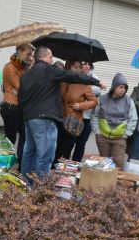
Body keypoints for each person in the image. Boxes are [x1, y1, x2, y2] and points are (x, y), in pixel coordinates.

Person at [18, 47, 102, 178]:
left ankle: (26, 182)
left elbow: (21, 98)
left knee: (29, 152)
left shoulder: (26, 75)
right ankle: (41, 186)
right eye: (50, 57)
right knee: (45, 155)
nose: (52, 60)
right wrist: (96, 81)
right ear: (44, 57)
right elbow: (72, 75)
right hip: (45, 119)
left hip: (29, 118)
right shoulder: (49, 69)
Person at [53, 59, 98, 165]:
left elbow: (95, 101)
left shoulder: (84, 83)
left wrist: (81, 106)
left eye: (79, 67)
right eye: (74, 67)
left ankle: (64, 171)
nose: (77, 69)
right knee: (56, 148)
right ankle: (52, 170)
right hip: (60, 119)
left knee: (67, 149)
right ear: (69, 67)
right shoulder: (63, 81)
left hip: (73, 122)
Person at [90, 73, 138, 171]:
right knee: (104, 164)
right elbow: (94, 115)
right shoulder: (102, 99)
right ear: (114, 87)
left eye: (125, 88)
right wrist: (97, 131)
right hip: (102, 137)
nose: (123, 90)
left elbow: (133, 118)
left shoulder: (129, 101)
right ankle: (104, 181)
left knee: (118, 164)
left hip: (120, 138)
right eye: (120, 87)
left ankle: (116, 181)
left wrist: (126, 134)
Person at [1, 43, 33, 170]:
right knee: (10, 139)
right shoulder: (10, 67)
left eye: (31, 54)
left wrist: (30, 69)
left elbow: (27, 87)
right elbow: (21, 87)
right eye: (28, 54)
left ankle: (21, 166)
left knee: (25, 135)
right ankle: (4, 167)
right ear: (19, 51)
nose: (30, 57)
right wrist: (22, 89)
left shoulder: (24, 67)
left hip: (21, 107)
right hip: (11, 107)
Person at [71, 61, 102, 162]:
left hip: (87, 117)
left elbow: (99, 91)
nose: (87, 66)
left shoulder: (93, 76)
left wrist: (85, 87)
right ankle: (65, 165)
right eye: (85, 64)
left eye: (89, 64)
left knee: (81, 144)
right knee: (70, 143)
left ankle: (75, 164)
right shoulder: (75, 75)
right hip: (75, 116)